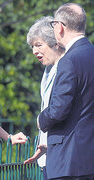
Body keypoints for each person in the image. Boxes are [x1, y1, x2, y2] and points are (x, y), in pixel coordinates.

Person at [38, 3, 94, 179]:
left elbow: (58, 110)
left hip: (68, 161)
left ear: (60, 27)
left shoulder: (69, 61)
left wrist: (41, 120)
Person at [24, 16, 65, 180]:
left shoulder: (66, 68)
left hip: (62, 158)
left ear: (55, 43)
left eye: (39, 45)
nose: (34, 51)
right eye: (32, 46)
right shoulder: (47, 71)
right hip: (48, 156)